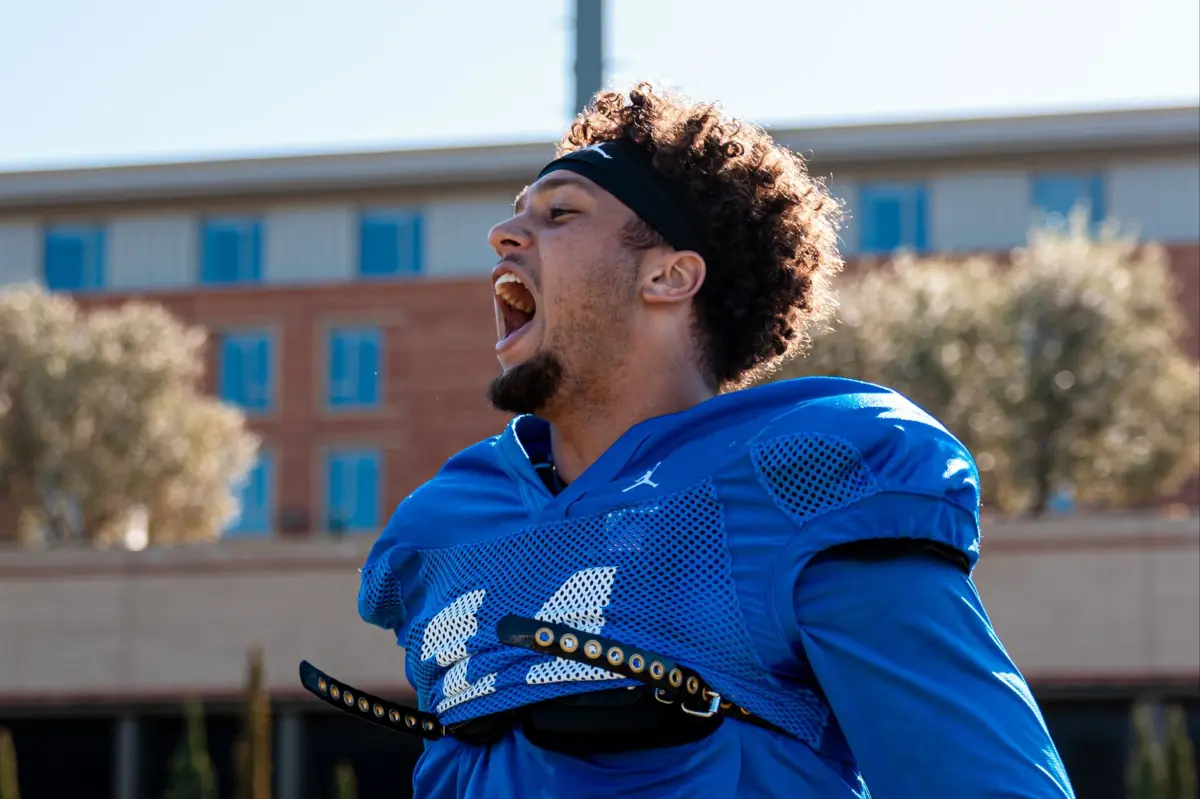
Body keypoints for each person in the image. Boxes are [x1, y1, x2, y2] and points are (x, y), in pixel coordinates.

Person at [352, 83, 1077, 798]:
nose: (504, 235)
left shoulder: (797, 481)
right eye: (517, 216)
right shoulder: (445, 525)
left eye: (560, 212)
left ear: (669, 274)